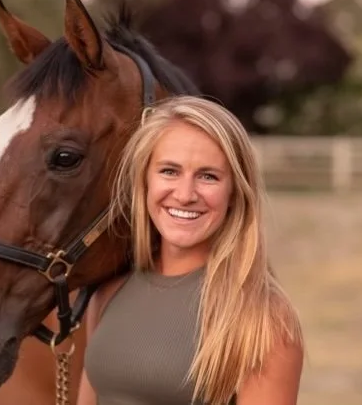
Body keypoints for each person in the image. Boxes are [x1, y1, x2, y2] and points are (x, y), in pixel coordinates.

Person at [76, 95, 304, 405]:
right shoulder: (107, 293)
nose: (185, 195)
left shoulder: (264, 320)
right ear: (144, 180)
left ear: (235, 192)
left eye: (208, 176)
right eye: (169, 171)